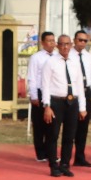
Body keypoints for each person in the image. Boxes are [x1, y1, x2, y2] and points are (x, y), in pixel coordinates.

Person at [42, 34, 87, 177]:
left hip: (72, 102)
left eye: (67, 44)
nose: (65, 47)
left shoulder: (75, 62)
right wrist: (47, 106)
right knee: (53, 134)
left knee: (69, 135)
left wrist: (82, 107)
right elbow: (45, 85)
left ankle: (65, 164)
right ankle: (53, 165)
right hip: (56, 101)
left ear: (71, 45)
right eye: (62, 44)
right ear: (57, 45)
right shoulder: (50, 62)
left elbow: (80, 85)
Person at [27, 32, 56, 163]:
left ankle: (51, 152)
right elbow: (32, 77)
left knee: (52, 125)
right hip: (39, 92)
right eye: (48, 41)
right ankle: (40, 153)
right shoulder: (36, 57)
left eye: (53, 40)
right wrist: (33, 95)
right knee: (39, 125)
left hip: (53, 93)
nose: (51, 43)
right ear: (43, 42)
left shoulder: (58, 57)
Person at [71, 31, 91, 168]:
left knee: (83, 127)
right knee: (71, 126)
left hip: (86, 93)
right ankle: (65, 157)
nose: (82, 43)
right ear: (74, 40)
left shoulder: (88, 57)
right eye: (80, 40)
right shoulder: (68, 55)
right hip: (72, 94)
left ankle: (80, 157)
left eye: (85, 41)